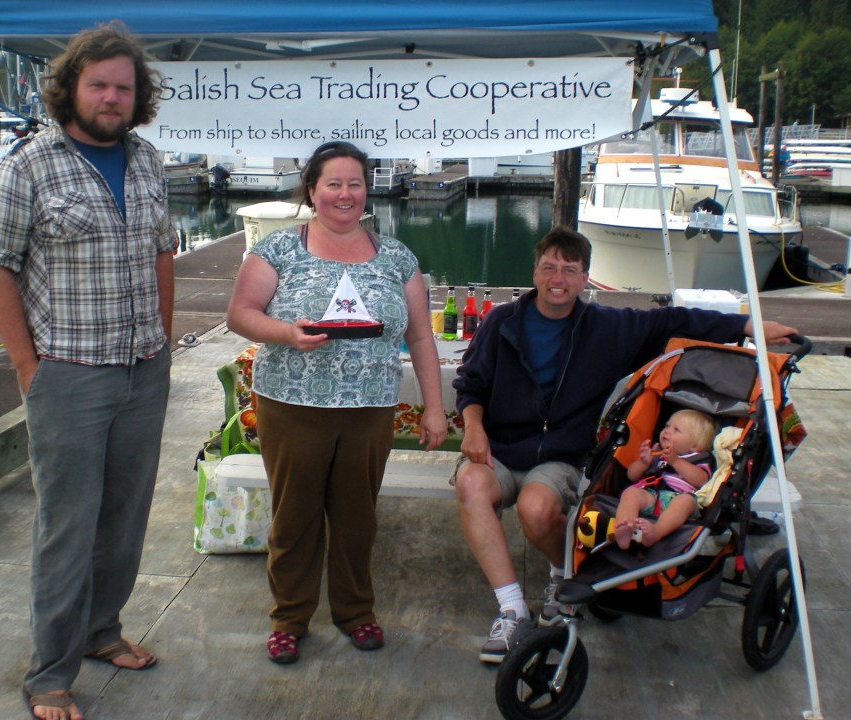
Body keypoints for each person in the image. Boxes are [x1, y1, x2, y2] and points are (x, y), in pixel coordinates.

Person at [452, 225, 797, 664]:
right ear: (535, 272)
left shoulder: (608, 327)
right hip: (499, 446)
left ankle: (564, 575)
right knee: (470, 487)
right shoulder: (502, 320)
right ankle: (512, 609)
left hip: (560, 455)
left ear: (585, 278)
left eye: (570, 270)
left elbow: (677, 321)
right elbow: (471, 383)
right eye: (549, 267)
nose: (558, 278)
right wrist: (474, 425)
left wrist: (751, 325)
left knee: (536, 510)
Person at [0, 22, 177, 720]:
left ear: (138, 95)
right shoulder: (25, 165)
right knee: (68, 526)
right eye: (100, 84)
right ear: (71, 88)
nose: (113, 97)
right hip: (68, 375)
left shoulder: (148, 160)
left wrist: (165, 341)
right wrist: (28, 366)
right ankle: (50, 675)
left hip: (143, 368)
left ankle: (102, 632)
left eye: (125, 86)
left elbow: (161, 255)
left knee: (124, 519)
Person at [226, 141, 447, 665]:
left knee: (356, 517)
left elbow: (419, 337)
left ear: (366, 191)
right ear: (312, 190)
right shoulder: (278, 249)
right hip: (292, 404)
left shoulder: (396, 256)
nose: (344, 194)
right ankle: (289, 618)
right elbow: (240, 313)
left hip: (370, 409)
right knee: (295, 516)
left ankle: (355, 611)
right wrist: (286, 332)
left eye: (354, 184)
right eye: (333, 184)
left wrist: (434, 407)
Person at [614, 409, 716, 551]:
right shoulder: (657, 455)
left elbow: (701, 480)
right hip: (652, 495)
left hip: (678, 499)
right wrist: (643, 463)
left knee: (686, 502)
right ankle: (625, 526)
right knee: (630, 493)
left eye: (676, 430)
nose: (667, 431)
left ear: (695, 445)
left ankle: (657, 532)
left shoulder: (698, 459)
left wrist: (675, 462)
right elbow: (631, 476)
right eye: (667, 426)